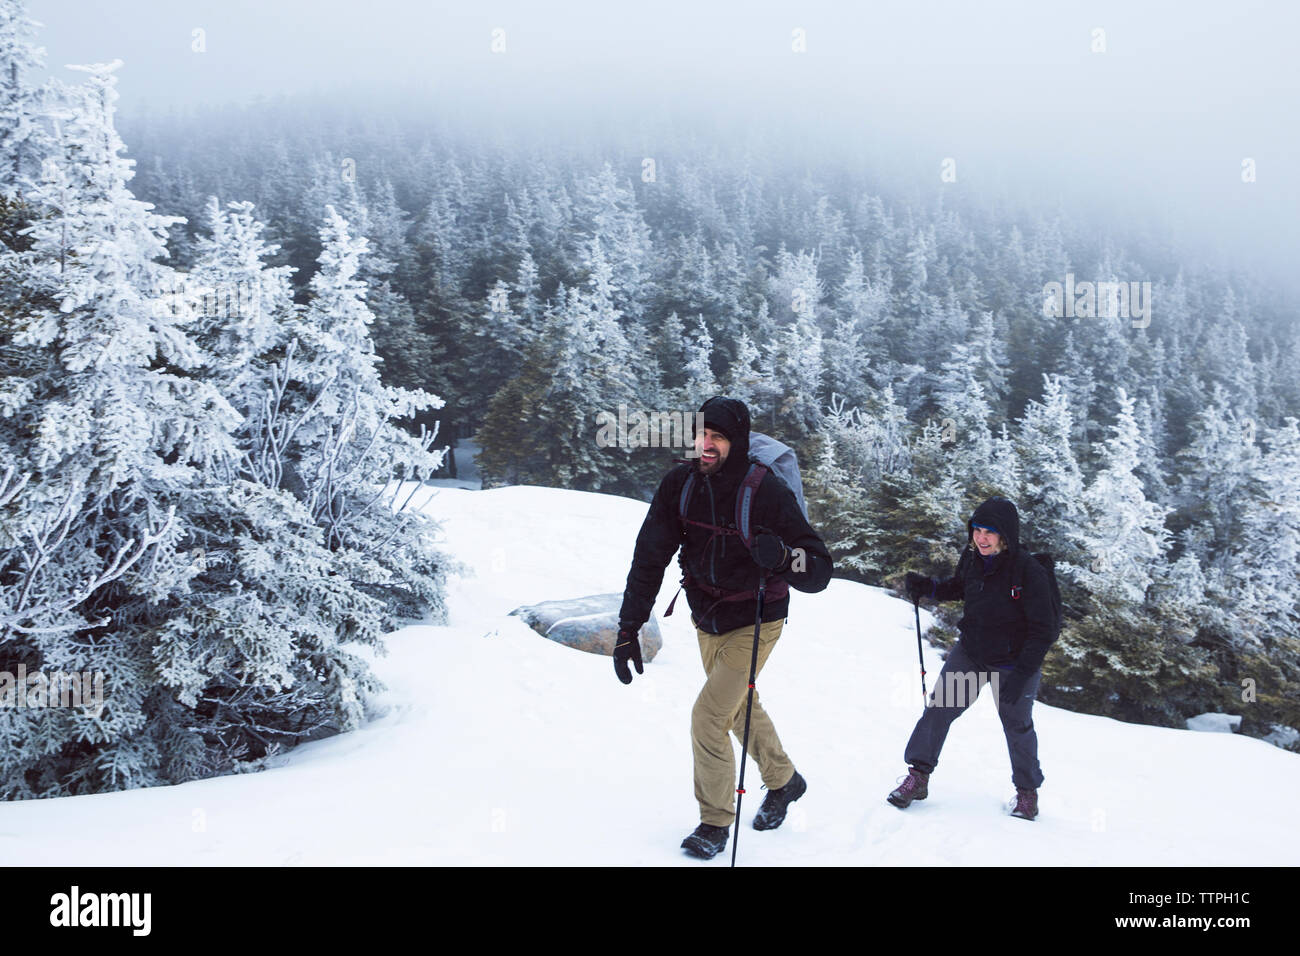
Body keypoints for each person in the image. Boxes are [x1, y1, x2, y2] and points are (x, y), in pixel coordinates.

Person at [614, 396, 833, 859]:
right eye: (700, 434)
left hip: (757, 617)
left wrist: (783, 557)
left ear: (737, 441)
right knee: (737, 706)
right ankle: (785, 781)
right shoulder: (681, 483)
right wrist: (630, 624)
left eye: (717, 437)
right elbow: (650, 555)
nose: (706, 445)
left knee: (708, 717)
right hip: (706, 616)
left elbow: (818, 569)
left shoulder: (766, 491)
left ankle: (714, 822)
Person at [892, 495, 1056, 821]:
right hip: (972, 654)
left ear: (1005, 535)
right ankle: (918, 776)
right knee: (938, 711)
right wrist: (930, 587)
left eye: (989, 532)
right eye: (977, 530)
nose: (981, 538)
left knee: (1018, 726)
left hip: (1013, 663)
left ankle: (1027, 794)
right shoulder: (972, 559)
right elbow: (960, 587)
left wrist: (1023, 673)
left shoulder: (1028, 571)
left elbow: (1045, 630)